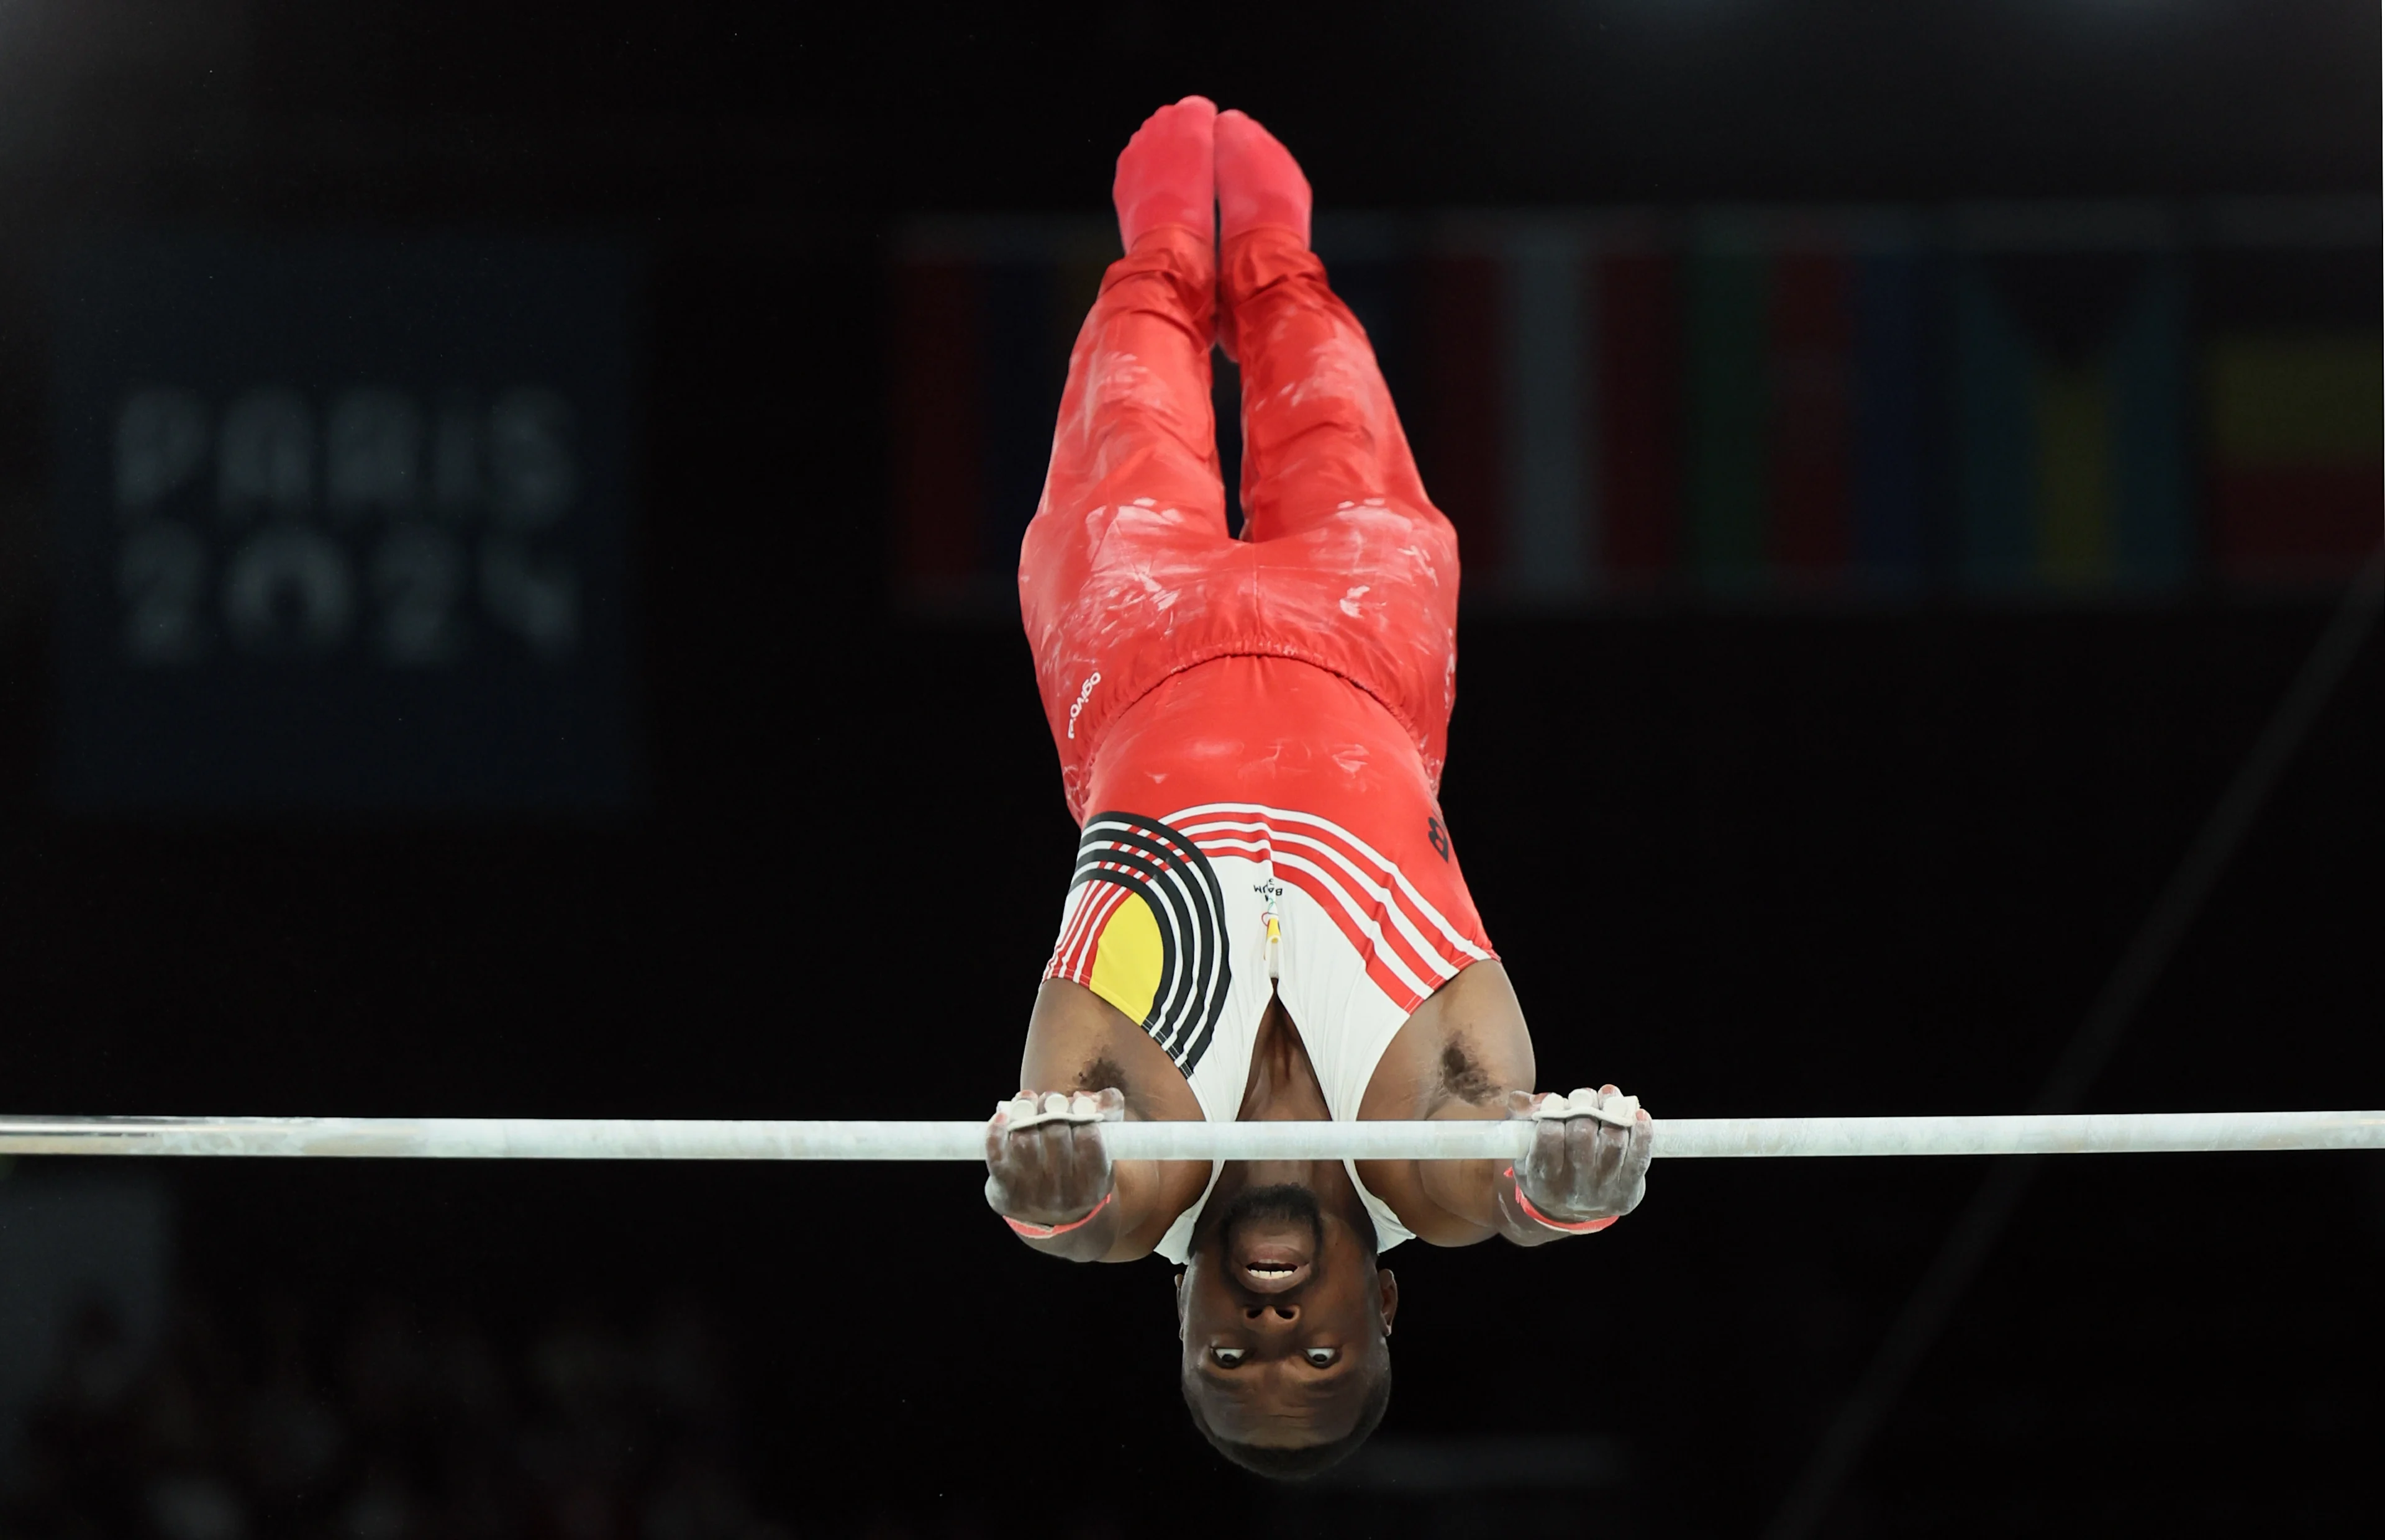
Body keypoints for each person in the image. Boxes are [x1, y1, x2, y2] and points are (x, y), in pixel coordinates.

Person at [982, 97, 1654, 1479]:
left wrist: (1057, 1198)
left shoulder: (1141, 1165)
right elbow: (1496, 1175)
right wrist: (1560, 1188)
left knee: (1135, 382)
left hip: (1138, 650)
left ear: (1179, 1311)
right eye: (1319, 1350)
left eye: (1230, 1355)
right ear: (1384, 1302)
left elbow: (1092, 1204)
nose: (1273, 1323)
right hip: (1368, 645)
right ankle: (1275, 252)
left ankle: (1168, 242)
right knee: (1322, 385)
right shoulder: (1426, 1163)